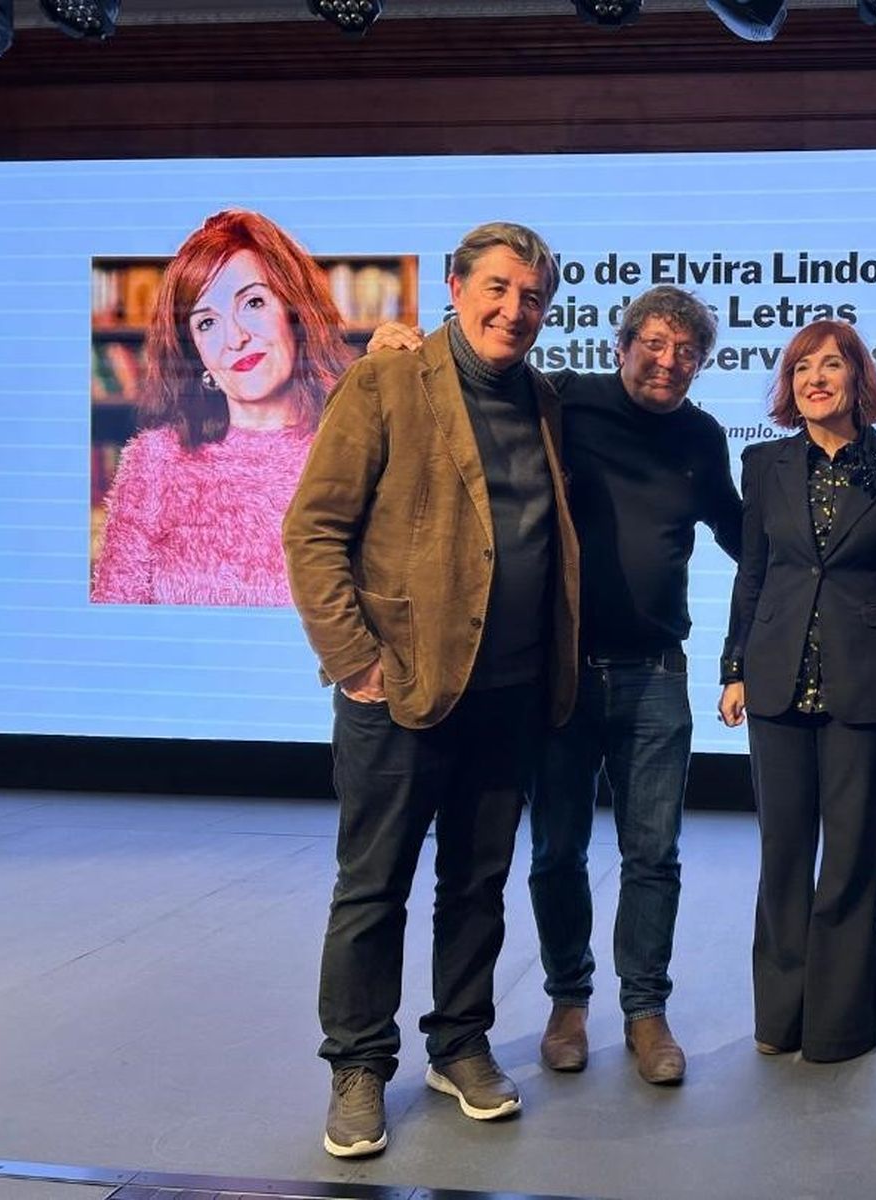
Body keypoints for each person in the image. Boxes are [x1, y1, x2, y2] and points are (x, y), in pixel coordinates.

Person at [366, 284, 742, 1086]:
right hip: (560, 673)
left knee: (653, 855)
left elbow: (748, 542)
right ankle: (568, 1003)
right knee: (557, 851)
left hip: (657, 677)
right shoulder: (563, 400)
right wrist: (405, 350)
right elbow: (476, 384)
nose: (668, 362)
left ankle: (645, 1011)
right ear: (621, 345)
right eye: (653, 344)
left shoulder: (704, 438)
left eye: (687, 353)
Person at [283, 221, 580, 1159]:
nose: (514, 310)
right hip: (400, 691)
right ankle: (359, 1065)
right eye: (497, 288)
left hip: (511, 692)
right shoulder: (386, 380)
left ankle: (459, 1043)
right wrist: (357, 663)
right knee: (373, 889)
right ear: (454, 287)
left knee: (478, 885)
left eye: (532, 297)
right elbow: (312, 530)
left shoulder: (543, 399)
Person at [717, 319, 876, 1063]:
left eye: (830, 365)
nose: (815, 378)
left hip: (865, 682)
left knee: (850, 859)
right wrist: (734, 668)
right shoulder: (763, 463)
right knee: (783, 856)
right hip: (776, 678)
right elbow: (753, 571)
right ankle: (780, 1018)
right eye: (802, 367)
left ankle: (841, 1025)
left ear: (857, 378)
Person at [93, 209, 352, 605]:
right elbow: (114, 625)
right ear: (194, 352)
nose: (235, 338)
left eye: (253, 302)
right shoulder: (154, 462)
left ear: (294, 311)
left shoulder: (355, 452)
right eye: (207, 323)